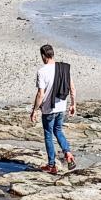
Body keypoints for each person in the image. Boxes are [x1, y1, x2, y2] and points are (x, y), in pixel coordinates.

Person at [29, 44, 77, 174]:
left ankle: (51, 165)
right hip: (61, 107)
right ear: (53, 54)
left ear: (43, 56)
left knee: (48, 135)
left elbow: (41, 94)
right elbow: (72, 88)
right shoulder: (64, 68)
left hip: (49, 109)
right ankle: (67, 153)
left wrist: (34, 110)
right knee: (59, 130)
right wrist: (73, 104)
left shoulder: (42, 71)